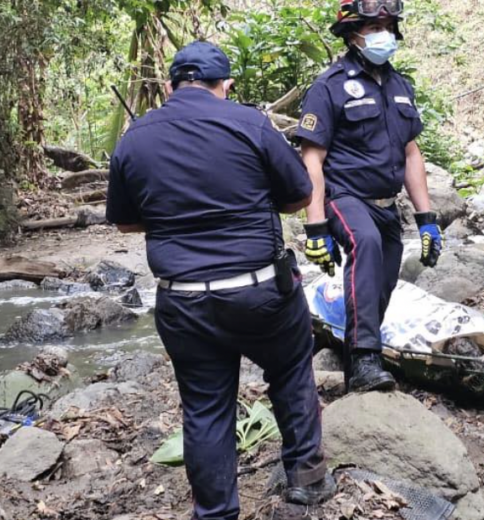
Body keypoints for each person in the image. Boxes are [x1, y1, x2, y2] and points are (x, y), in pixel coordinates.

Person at [106, 41, 335, 519]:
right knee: (291, 373)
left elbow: (126, 222)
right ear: (224, 86)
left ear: (171, 86)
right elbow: (298, 196)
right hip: (259, 290)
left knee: (206, 407)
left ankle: (215, 512)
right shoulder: (249, 122)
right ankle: (308, 482)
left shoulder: (134, 138)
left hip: (184, 299)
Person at [295, 0, 444, 393]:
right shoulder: (329, 86)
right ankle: (364, 360)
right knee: (365, 245)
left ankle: (356, 347)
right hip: (346, 197)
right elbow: (313, 160)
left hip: (386, 203)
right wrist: (316, 228)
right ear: (352, 31)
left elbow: (412, 153)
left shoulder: (400, 86)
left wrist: (427, 219)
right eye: (373, 24)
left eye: (388, 24)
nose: (383, 32)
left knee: (383, 278)